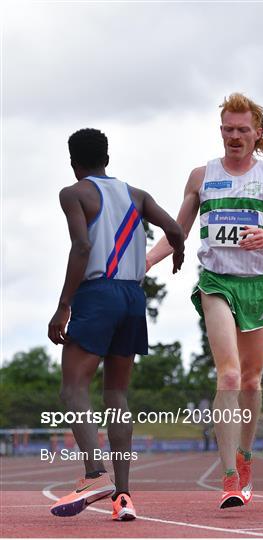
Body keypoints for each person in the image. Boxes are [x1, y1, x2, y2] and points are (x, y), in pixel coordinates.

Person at [146, 93, 263, 508]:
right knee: (229, 377)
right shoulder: (201, 176)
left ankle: (245, 456)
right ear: (221, 131)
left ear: (258, 133)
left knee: (251, 382)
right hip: (216, 282)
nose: (235, 137)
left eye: (242, 130)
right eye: (228, 130)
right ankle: (229, 477)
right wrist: (143, 263)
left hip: (258, 286)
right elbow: (177, 233)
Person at [48, 128, 184, 520]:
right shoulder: (136, 195)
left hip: (98, 294)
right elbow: (174, 229)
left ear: (74, 162)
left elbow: (83, 246)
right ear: (106, 157)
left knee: (73, 389)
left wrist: (63, 307)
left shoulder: (74, 194)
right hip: (132, 298)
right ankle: (123, 497)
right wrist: (179, 252)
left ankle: (95, 473)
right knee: (117, 396)